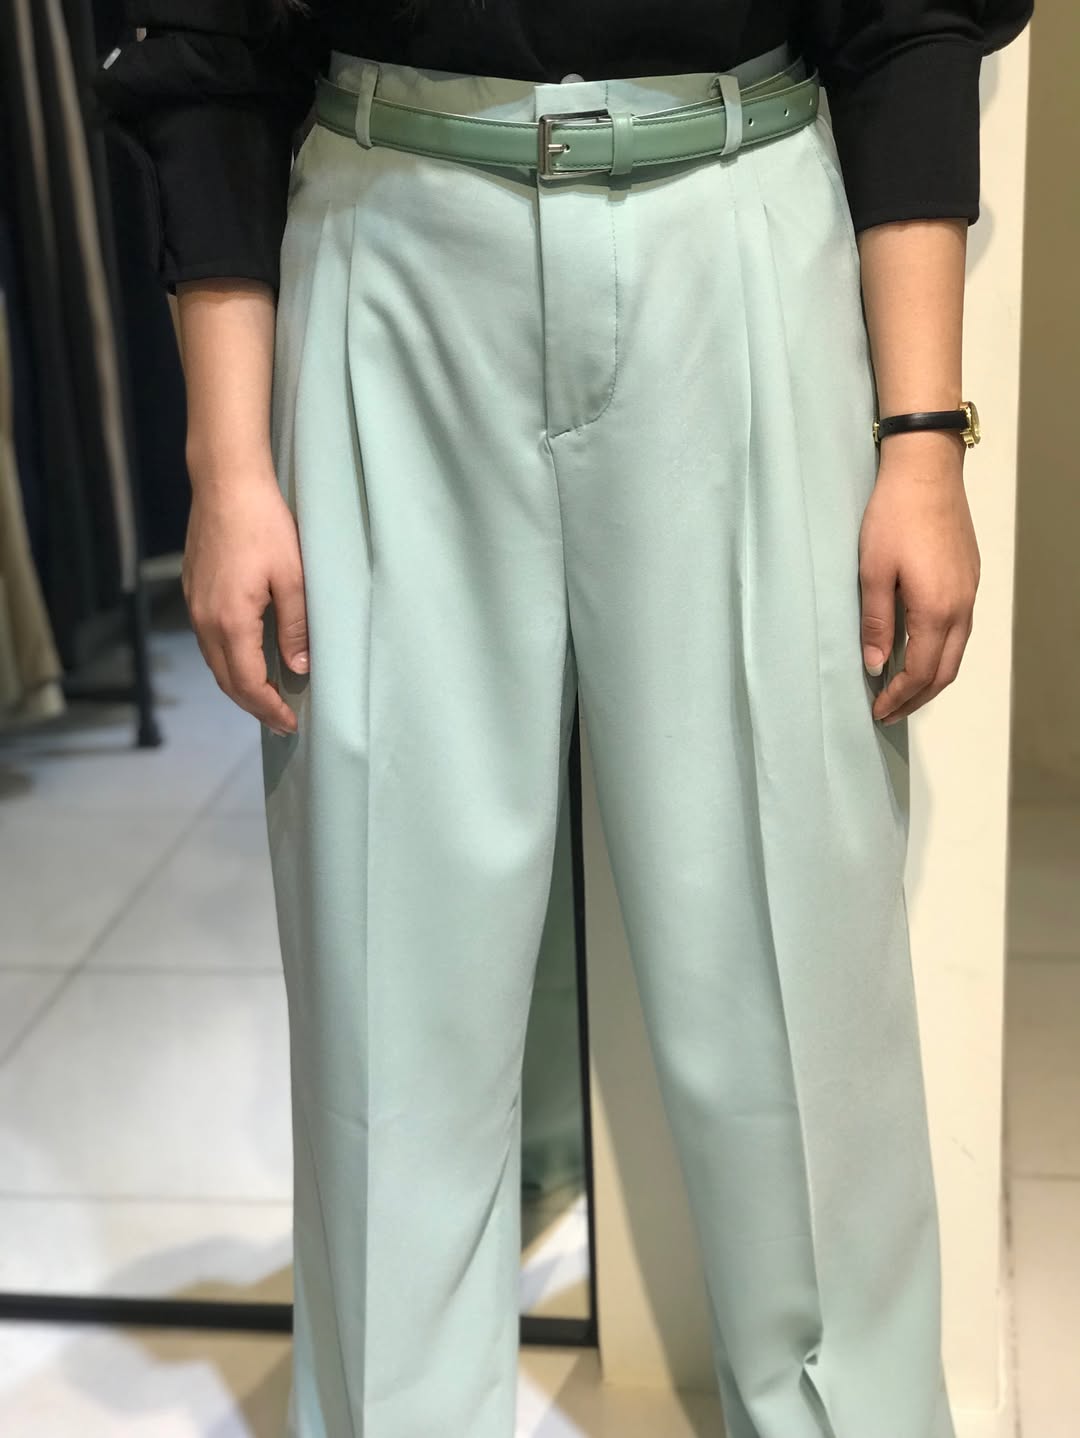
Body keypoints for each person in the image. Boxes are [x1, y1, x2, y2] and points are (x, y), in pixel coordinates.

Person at [93, 3, 1034, 1435]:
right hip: (387, 237)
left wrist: (922, 438)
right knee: (387, 977)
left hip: (737, 215)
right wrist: (228, 466)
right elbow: (207, 43)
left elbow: (904, 15)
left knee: (797, 962)